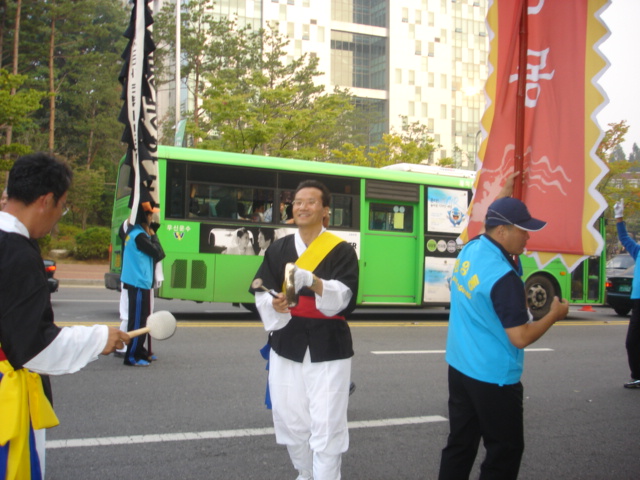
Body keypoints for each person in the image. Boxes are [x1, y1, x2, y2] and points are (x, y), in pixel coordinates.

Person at [0, 152, 130, 478]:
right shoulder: (16, 252)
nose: (60, 215)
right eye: (63, 206)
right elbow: (34, 347)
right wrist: (100, 337)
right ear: (46, 200)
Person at [438, 195, 569, 480]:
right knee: (504, 452)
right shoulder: (503, 278)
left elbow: (488, 224)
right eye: (523, 230)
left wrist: (505, 192)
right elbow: (520, 337)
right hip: (493, 379)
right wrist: (554, 315)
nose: (527, 238)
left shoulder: (472, 247)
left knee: (460, 445)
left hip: (459, 368)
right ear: (502, 231)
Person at [250, 180, 359, 480]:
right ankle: (305, 473)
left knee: (327, 423)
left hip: (329, 346)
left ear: (325, 210)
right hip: (287, 342)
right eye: (297, 202)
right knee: (291, 420)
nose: (302, 207)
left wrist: (313, 281)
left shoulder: (340, 250)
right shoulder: (279, 248)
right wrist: (275, 306)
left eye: (310, 202)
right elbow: (261, 291)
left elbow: (347, 297)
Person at [120, 203, 165, 367]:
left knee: (144, 320)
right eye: (149, 214)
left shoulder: (138, 233)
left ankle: (140, 351)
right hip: (137, 283)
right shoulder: (139, 235)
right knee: (137, 321)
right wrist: (153, 234)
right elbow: (159, 253)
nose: (152, 217)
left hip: (142, 282)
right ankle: (131, 356)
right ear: (142, 216)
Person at [613, 199, 640, 388]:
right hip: (637, 302)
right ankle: (637, 376)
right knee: (632, 342)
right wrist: (619, 217)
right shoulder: (638, 251)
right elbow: (624, 238)